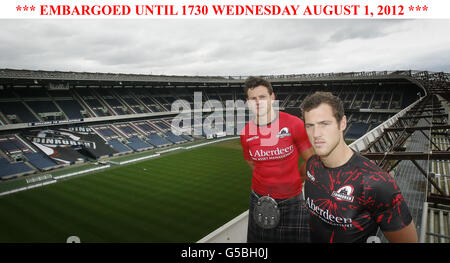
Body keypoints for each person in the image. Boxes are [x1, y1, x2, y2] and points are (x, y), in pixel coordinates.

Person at [300, 91, 418, 243]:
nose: (316, 134)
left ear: (342, 123)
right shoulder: (311, 165)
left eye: (324, 124)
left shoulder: (377, 183)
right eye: (309, 126)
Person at [240, 76, 315, 242]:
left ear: (272, 97)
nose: (258, 102)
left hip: (292, 200)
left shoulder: (294, 124)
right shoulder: (245, 133)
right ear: (248, 102)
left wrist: (299, 178)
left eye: (262, 97)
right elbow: (252, 163)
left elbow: (312, 159)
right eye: (253, 98)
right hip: (259, 198)